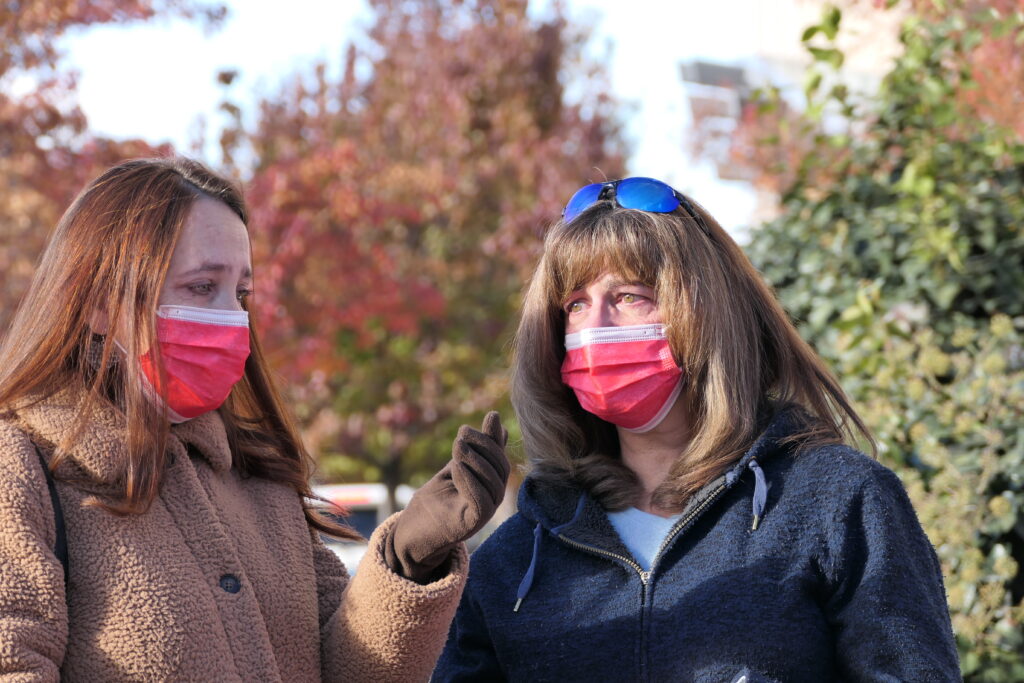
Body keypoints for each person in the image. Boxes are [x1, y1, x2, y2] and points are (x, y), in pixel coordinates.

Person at [0, 157, 509, 681]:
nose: (231, 317)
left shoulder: (261, 478)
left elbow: (346, 668)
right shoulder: (22, 467)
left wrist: (408, 559)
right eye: (202, 287)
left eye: (241, 294)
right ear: (101, 305)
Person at [434, 177, 960, 682]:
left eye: (629, 297)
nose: (594, 327)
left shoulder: (838, 501)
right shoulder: (516, 556)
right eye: (575, 305)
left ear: (706, 313)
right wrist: (418, 571)